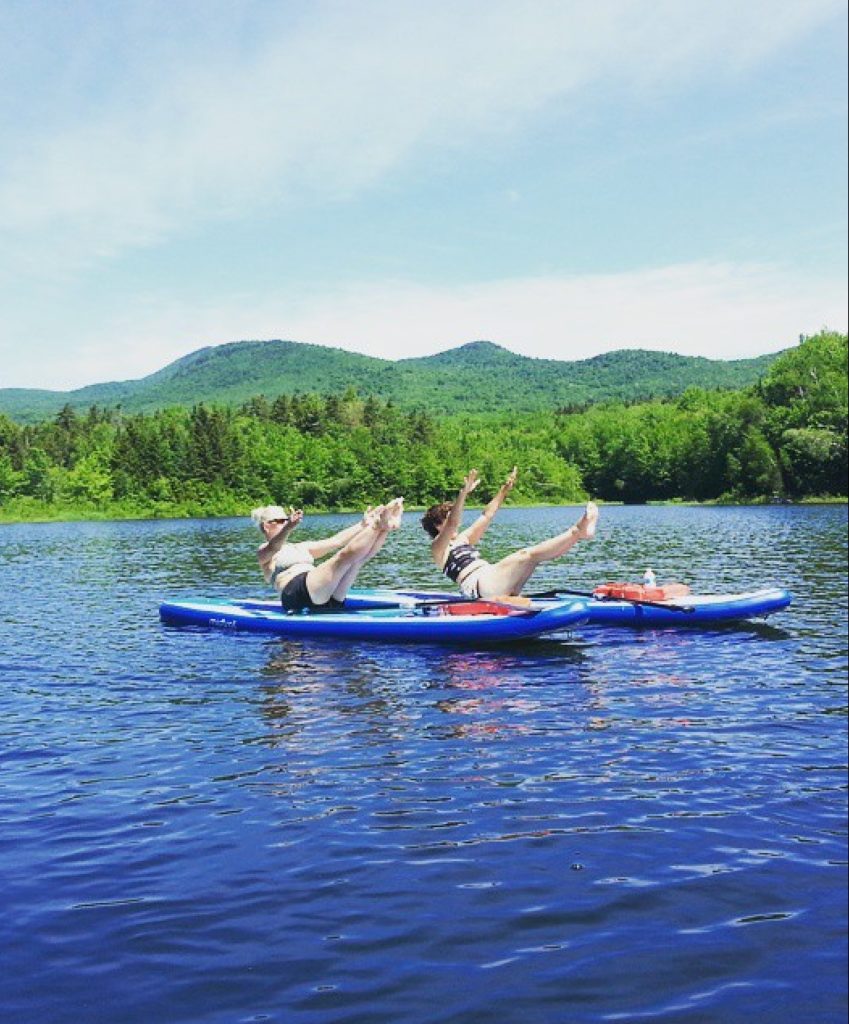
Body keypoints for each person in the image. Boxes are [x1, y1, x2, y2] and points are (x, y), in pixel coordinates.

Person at [420, 468, 598, 599]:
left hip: (491, 578)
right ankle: (577, 531)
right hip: (479, 586)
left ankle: (578, 534)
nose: (456, 517)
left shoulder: (463, 538)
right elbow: (453, 523)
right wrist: (463, 493)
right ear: (437, 525)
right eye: (448, 515)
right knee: (525, 554)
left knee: (533, 558)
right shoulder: (438, 548)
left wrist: (504, 490)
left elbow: (486, 515)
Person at [253, 498, 404, 612]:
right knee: (342, 558)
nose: (286, 522)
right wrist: (288, 527)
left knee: (357, 560)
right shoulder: (264, 552)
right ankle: (378, 525)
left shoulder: (300, 547)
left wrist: (363, 525)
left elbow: (336, 541)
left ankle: (384, 527)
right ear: (267, 526)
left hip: (323, 593)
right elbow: (274, 546)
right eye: (281, 521)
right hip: (297, 594)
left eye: (286, 520)